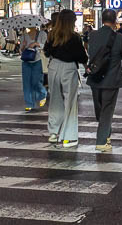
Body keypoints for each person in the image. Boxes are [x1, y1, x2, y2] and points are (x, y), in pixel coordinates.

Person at [44, 9, 87, 148]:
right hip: (69, 68)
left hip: (54, 67)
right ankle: (69, 136)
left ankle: (54, 132)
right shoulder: (74, 37)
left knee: (55, 99)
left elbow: (46, 51)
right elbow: (81, 56)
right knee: (70, 101)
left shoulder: (52, 35)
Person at [87, 9, 122, 152]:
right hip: (111, 78)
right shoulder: (120, 38)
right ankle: (102, 140)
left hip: (95, 76)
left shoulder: (92, 35)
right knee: (107, 109)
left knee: (100, 109)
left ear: (102, 19)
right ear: (115, 21)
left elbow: (91, 52)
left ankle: (106, 134)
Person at [20, 26, 48, 111]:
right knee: (26, 83)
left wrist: (36, 44)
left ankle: (43, 94)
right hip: (26, 61)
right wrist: (23, 46)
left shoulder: (42, 34)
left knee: (36, 81)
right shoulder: (23, 36)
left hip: (38, 60)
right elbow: (21, 50)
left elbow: (46, 47)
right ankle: (29, 103)